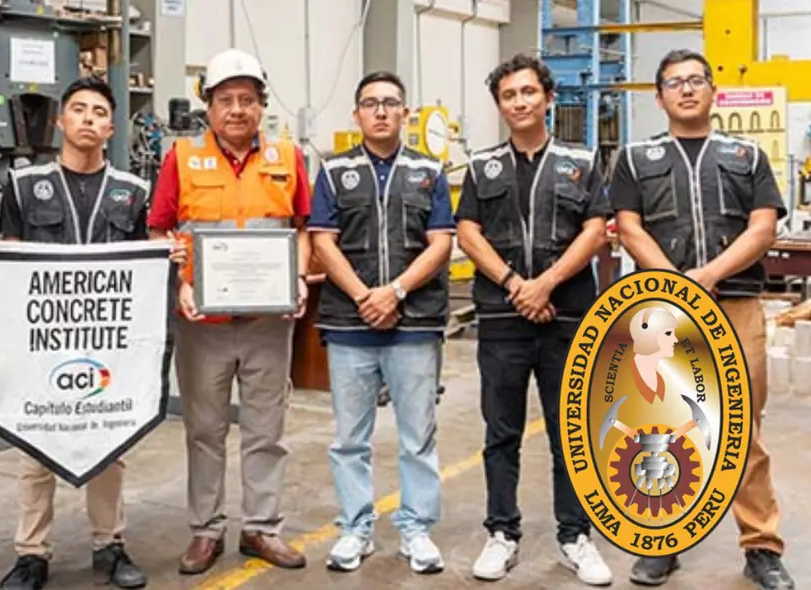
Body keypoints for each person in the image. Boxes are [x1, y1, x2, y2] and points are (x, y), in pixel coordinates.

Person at [610, 48, 795, 590]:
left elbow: (763, 228)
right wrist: (676, 284)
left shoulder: (748, 155)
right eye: (675, 82)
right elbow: (628, 226)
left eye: (696, 80)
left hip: (736, 306)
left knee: (743, 429)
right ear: (659, 95)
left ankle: (761, 545)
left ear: (713, 90)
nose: (686, 90)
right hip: (666, 314)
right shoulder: (635, 158)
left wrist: (707, 276)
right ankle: (663, 540)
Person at [147, 47, 312, 575]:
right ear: (208, 106)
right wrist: (181, 282)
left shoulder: (287, 157)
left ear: (262, 104)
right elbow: (159, 228)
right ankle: (205, 530)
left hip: (269, 322)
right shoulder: (182, 158)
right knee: (204, 430)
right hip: (204, 324)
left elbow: (303, 229)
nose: (237, 109)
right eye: (225, 100)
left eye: (247, 99)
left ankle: (263, 528)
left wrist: (301, 281)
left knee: (267, 430)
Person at [0, 76, 152, 590]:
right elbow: (9, 257)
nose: (87, 119)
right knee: (36, 449)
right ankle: (31, 554)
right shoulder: (22, 185)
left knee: (108, 447)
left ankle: (110, 546)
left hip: (109, 348)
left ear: (111, 126)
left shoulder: (133, 193)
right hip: (43, 343)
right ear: (60, 121)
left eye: (98, 112)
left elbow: (144, 270)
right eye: (77, 109)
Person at [454, 53, 613, 586]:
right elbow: (468, 232)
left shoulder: (583, 161)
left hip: (568, 315)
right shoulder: (483, 166)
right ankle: (502, 533)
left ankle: (576, 536)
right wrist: (515, 285)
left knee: (571, 430)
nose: (519, 102)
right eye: (508, 95)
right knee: (501, 431)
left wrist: (545, 284)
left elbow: (595, 229)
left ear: (547, 97)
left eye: (528, 92)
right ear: (499, 106)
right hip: (502, 317)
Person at [308, 71, 453, 574]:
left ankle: (416, 529)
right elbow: (322, 240)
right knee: (350, 438)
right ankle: (355, 529)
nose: (381, 111)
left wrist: (395, 292)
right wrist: (362, 295)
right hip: (349, 325)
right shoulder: (332, 172)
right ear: (357, 115)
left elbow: (441, 243)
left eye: (391, 103)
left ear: (405, 113)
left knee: (418, 437)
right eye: (371, 103)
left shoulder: (430, 172)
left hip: (415, 323)